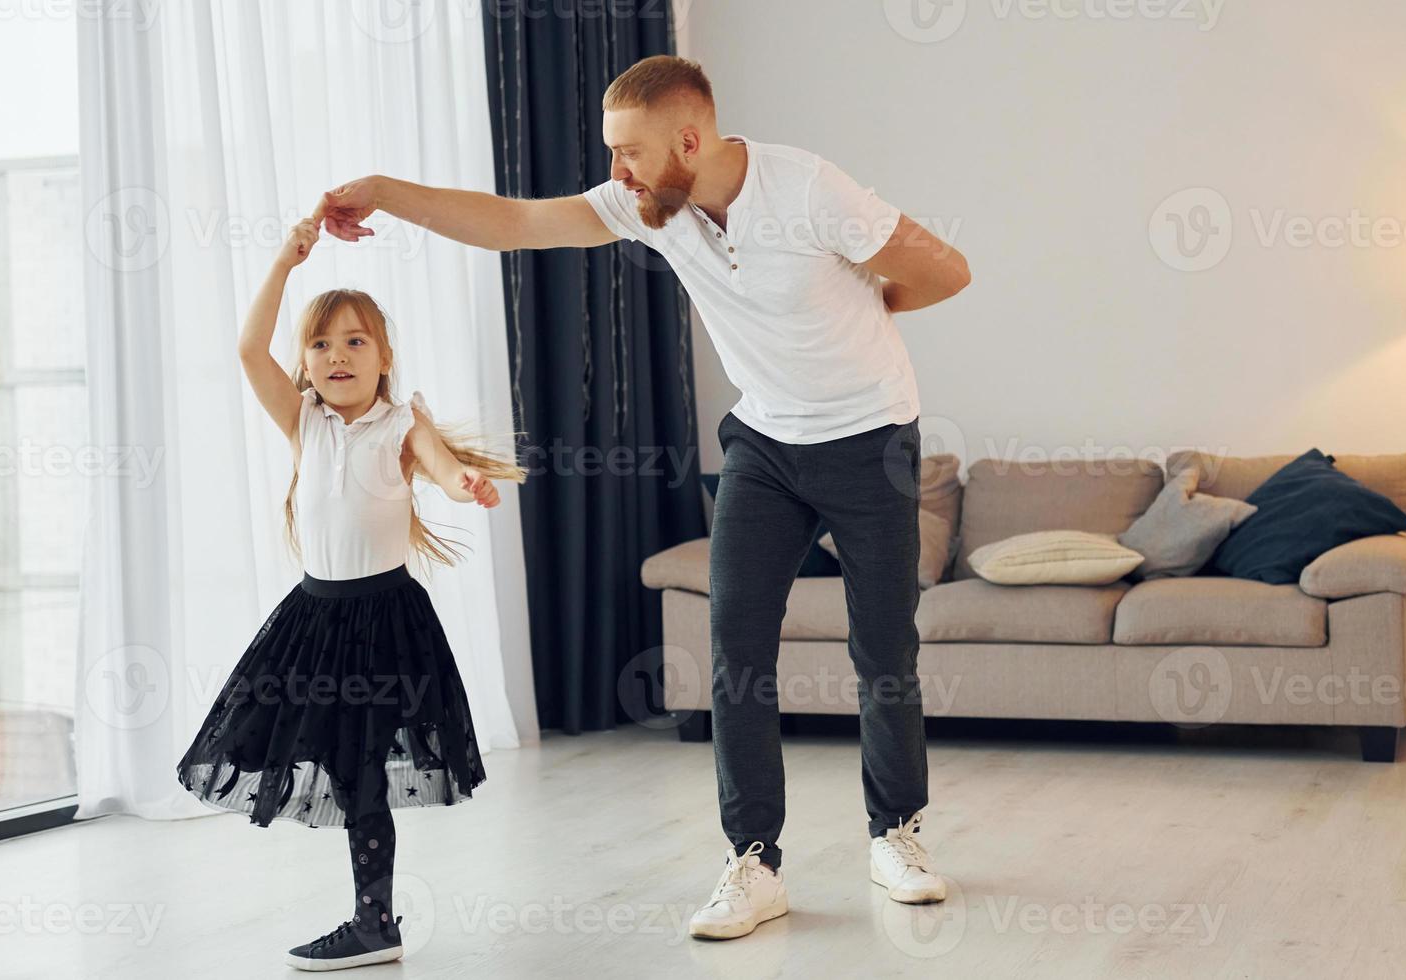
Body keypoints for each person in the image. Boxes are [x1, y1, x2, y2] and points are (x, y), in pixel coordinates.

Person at [312, 54, 969, 942]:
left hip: (871, 438)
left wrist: (863, 310)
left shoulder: (811, 190)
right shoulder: (646, 203)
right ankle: (755, 862)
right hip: (768, 443)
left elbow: (946, 271)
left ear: (689, 140)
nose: (616, 172)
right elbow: (513, 224)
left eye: (628, 152)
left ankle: (896, 835)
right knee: (735, 644)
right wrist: (384, 189)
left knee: (883, 645)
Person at [174, 218, 526, 970]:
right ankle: (374, 918)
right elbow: (246, 349)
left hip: (383, 623)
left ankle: (374, 923)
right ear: (305, 363)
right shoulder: (304, 423)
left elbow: (437, 463)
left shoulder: (401, 424)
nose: (337, 355)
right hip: (312, 617)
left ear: (384, 357)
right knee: (315, 757)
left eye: (355, 341)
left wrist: (465, 485)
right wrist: (283, 260)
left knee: (361, 766)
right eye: (322, 344)